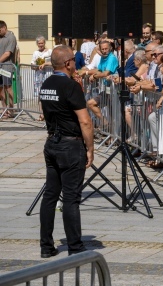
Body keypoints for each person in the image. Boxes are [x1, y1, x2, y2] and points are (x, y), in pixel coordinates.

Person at [39, 45, 94, 258]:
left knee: (50, 195)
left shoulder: (46, 84)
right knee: (71, 198)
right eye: (73, 59)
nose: (75, 63)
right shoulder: (70, 86)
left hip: (52, 142)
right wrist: (90, 148)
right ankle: (75, 247)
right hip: (70, 145)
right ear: (68, 62)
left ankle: (46, 246)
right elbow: (85, 121)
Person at [0, 20, 18, 118]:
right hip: (0, 67)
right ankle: (4, 110)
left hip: (6, 67)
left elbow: (7, 53)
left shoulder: (11, 37)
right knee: (0, 89)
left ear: (4, 28)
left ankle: (11, 110)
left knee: (8, 87)